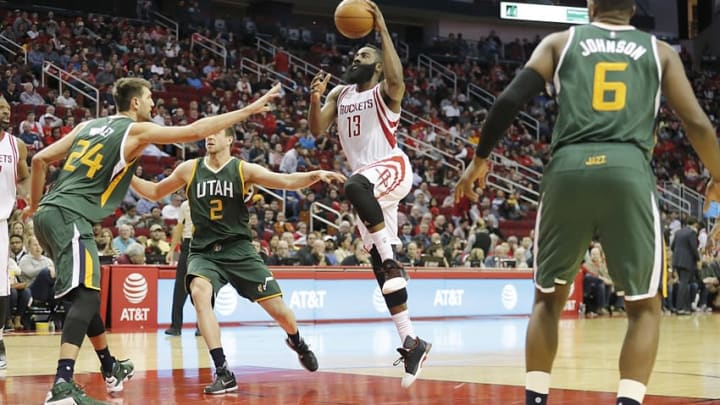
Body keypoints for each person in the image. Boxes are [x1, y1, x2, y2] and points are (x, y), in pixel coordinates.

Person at [454, 1, 720, 404]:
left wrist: (479, 159)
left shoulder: (560, 42)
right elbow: (697, 122)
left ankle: (536, 399)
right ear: (633, 7)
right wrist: (718, 176)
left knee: (547, 300)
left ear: (591, 5)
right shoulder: (660, 52)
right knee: (644, 307)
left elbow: (508, 101)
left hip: (568, 169)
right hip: (627, 169)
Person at [23, 77, 282, 405]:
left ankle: (110, 365)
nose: (152, 106)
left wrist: (34, 206)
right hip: (70, 215)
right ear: (135, 104)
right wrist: (248, 110)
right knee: (87, 296)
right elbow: (194, 131)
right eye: (148, 100)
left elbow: (38, 160)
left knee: (86, 294)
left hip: (49, 214)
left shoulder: (87, 125)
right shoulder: (135, 130)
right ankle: (62, 385)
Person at [129, 127, 345, 394]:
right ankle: (223, 371)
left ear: (229, 139)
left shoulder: (243, 170)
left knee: (280, 312)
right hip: (203, 250)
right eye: (206, 133)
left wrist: (316, 174)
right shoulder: (189, 168)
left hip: (239, 249)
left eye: (215, 133)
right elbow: (154, 191)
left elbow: (286, 181)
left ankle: (297, 341)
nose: (208, 136)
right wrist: (126, 175)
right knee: (199, 293)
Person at [308, 0, 431, 388]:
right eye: (356, 51)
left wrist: (380, 28)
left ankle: (394, 260)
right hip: (368, 186)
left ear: (377, 65)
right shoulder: (340, 94)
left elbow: (398, 79)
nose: (354, 56)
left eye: (363, 54)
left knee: (353, 185)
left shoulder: (384, 91)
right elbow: (316, 130)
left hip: (390, 168)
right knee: (379, 265)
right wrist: (315, 99)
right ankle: (411, 341)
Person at [0, 95, 30, 369]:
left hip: (0, 223)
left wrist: (28, 202)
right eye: (0, 108)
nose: (6, 112)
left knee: (0, 286)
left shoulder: (16, 145)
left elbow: (24, 177)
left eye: (8, 108)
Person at [164, 200, 196, 336]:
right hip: (187, 244)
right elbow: (179, 227)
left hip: (205, 244)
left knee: (202, 286)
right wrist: (172, 250)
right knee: (179, 286)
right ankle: (175, 326)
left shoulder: (209, 199)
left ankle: (203, 326)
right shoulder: (185, 205)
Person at [670, 217, 700, 315]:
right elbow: (693, 248)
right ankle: (680, 308)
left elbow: (672, 246)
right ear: (695, 224)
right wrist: (698, 258)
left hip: (677, 261)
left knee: (684, 283)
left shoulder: (678, 232)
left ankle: (686, 307)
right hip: (687, 262)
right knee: (684, 284)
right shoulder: (692, 233)